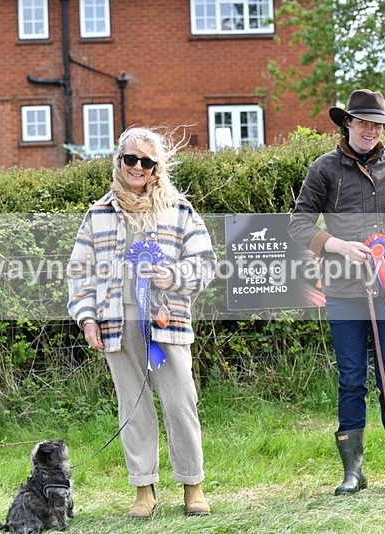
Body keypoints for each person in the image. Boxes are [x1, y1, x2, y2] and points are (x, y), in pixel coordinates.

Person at [288, 89, 385, 494]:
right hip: (342, 289)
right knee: (352, 378)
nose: (370, 130)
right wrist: (333, 244)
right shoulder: (324, 169)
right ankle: (353, 473)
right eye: (363, 122)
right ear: (347, 123)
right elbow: (298, 224)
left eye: (377, 124)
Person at [68, 126, 216, 518]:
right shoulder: (97, 214)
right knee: (132, 408)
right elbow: (79, 273)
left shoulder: (180, 210)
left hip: (166, 324)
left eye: (147, 162)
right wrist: (87, 318)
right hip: (117, 326)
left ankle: (193, 485)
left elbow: (205, 263)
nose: (138, 167)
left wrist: (174, 277)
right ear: (118, 161)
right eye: (130, 159)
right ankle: (143, 491)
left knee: (180, 401)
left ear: (156, 168)